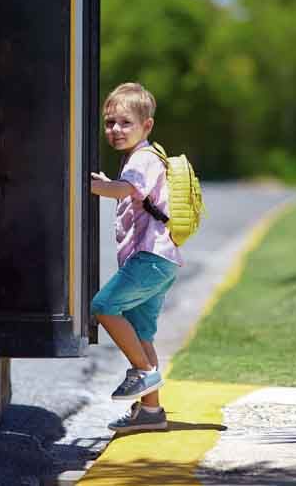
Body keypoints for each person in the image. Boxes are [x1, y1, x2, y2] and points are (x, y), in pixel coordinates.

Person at [90, 82, 183, 434]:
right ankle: (151, 412)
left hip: (150, 259)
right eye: (109, 123)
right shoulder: (142, 158)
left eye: (125, 123)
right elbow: (128, 190)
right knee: (142, 334)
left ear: (147, 125)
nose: (115, 129)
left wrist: (85, 184)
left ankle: (143, 372)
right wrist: (107, 183)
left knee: (103, 306)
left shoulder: (143, 158)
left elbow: (126, 189)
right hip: (159, 261)